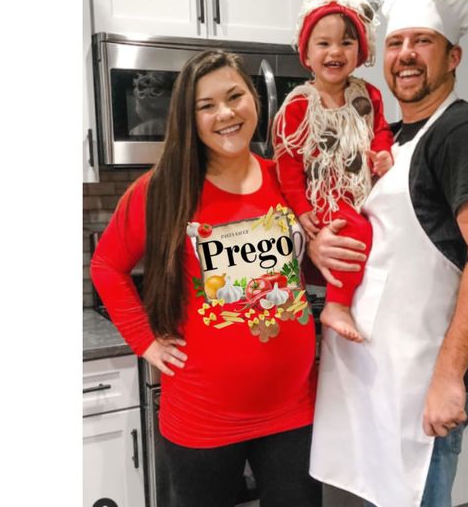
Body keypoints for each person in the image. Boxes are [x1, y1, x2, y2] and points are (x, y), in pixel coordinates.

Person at [307, 0, 468, 507]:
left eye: (423, 42)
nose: (405, 54)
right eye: (397, 42)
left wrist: (449, 378)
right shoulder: (394, 136)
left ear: (453, 56)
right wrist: (319, 241)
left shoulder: (465, 134)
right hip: (371, 379)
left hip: (420, 383)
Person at [91, 50, 322, 507]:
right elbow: (106, 267)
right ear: (190, 118)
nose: (226, 113)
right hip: (203, 416)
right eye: (207, 105)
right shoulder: (163, 189)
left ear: (254, 99)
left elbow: (307, 261)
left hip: (294, 408)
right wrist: (146, 342)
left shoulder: (287, 180)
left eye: (235, 96)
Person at [273, 0, 394, 343]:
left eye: (346, 43)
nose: (335, 52)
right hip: (324, 200)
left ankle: (350, 302)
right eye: (323, 44)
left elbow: (380, 132)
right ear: (307, 54)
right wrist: (301, 209)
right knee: (357, 232)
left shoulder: (367, 96)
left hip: (363, 191)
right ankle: (337, 306)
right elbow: (288, 165)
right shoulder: (299, 107)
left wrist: (383, 153)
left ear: (361, 52)